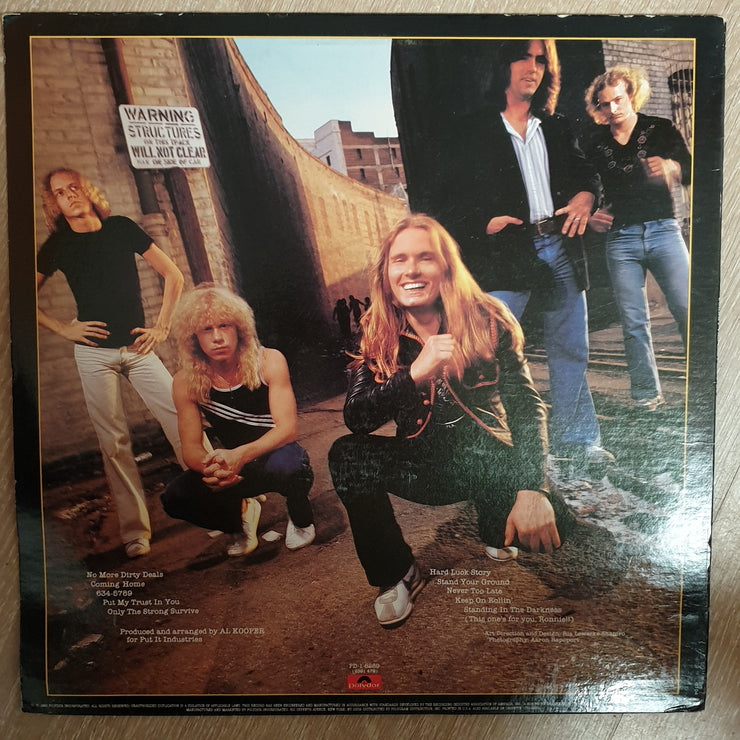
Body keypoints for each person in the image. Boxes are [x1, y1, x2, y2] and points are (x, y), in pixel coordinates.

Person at [328, 214, 576, 627]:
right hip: (422, 466)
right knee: (347, 453)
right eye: (399, 260)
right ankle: (397, 572)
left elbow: (526, 406)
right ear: (386, 273)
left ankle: (495, 521)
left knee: (573, 554)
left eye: (424, 258)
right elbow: (357, 417)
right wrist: (414, 374)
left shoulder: (488, 317)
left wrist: (533, 488)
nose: (411, 270)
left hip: (489, 462)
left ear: (445, 267)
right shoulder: (376, 330)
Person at [430, 39, 612, 475]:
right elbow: (443, 199)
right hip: (505, 254)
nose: (533, 67)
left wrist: (587, 196)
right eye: (523, 57)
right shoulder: (473, 129)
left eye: (541, 60)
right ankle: (493, 449)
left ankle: (577, 443)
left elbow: (587, 174)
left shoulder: (556, 126)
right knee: (484, 355)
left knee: (571, 349)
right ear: (501, 64)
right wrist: (482, 224)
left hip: (560, 245)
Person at [37, 168, 185, 558]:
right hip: (94, 356)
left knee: (180, 419)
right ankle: (135, 531)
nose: (69, 195)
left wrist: (162, 327)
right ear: (54, 203)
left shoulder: (121, 228)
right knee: (114, 443)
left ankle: (220, 498)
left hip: (138, 348)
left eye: (73, 187)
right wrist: (63, 328)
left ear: (87, 190)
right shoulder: (57, 245)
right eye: (60, 193)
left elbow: (173, 275)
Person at [160, 285, 315, 556]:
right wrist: (214, 469)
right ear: (194, 337)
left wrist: (240, 456)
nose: (217, 337)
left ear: (239, 328)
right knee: (175, 497)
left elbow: (287, 430)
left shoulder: (268, 360)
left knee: (292, 466)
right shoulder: (185, 381)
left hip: (273, 455)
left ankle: (300, 517)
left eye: (224, 326)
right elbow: (191, 448)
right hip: (232, 466)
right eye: (206, 329)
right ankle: (237, 519)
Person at [584, 66, 691, 411]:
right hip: (620, 239)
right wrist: (590, 215)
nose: (613, 109)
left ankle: (707, 384)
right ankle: (646, 397)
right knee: (633, 322)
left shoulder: (660, 128)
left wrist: (672, 167)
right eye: (605, 104)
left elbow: (692, 169)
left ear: (631, 95)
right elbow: (585, 187)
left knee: (688, 309)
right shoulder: (595, 143)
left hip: (664, 230)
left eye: (618, 100)